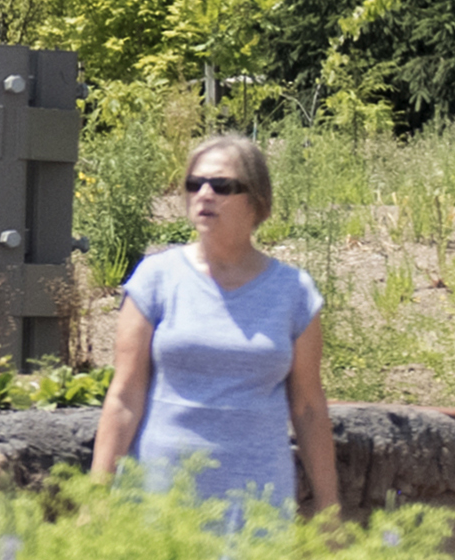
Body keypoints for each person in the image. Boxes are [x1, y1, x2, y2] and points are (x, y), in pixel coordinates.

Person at [90, 133, 337, 517]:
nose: (204, 194)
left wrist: (328, 508)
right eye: (194, 184)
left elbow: (308, 408)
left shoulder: (294, 292)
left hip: (257, 502)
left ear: (257, 202)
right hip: (159, 497)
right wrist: (95, 500)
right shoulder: (155, 279)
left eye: (221, 186)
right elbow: (124, 396)